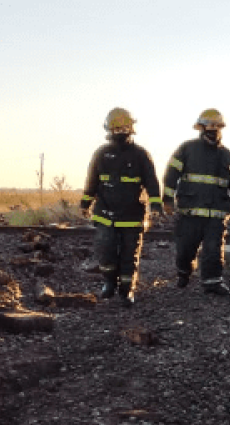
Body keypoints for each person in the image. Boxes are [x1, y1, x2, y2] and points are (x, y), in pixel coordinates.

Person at [80, 107, 162, 307]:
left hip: (132, 214)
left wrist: (156, 205)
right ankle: (109, 282)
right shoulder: (101, 153)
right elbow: (92, 180)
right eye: (116, 127)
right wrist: (85, 203)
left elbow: (152, 182)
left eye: (124, 126)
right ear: (109, 129)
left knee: (129, 254)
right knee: (105, 250)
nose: (120, 131)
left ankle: (127, 291)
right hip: (105, 214)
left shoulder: (141, 155)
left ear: (131, 128)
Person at [162, 108, 230, 295]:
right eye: (210, 125)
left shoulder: (227, 155)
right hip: (189, 213)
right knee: (185, 251)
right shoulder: (187, 149)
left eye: (217, 125)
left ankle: (212, 282)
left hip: (216, 215)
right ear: (201, 127)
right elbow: (171, 174)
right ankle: (183, 273)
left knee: (213, 250)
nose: (213, 129)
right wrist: (167, 199)